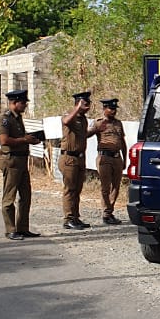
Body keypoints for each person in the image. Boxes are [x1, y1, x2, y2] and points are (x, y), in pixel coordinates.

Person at [0, 89, 42, 240]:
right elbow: (4, 140)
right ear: (14, 102)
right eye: (23, 103)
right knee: (9, 197)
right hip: (11, 161)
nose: (25, 105)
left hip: (22, 160)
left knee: (25, 196)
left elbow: (20, 138)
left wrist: (30, 139)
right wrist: (24, 140)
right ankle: (10, 229)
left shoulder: (18, 118)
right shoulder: (4, 119)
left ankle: (22, 228)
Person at [59, 90, 91, 230]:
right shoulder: (69, 116)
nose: (88, 107)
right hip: (69, 158)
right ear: (78, 104)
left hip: (79, 158)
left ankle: (75, 217)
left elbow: (83, 135)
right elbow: (66, 121)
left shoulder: (83, 120)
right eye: (85, 104)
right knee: (70, 190)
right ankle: (68, 219)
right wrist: (77, 108)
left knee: (77, 190)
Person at [91, 98, 127, 225]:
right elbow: (87, 134)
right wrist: (96, 129)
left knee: (116, 187)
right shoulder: (98, 122)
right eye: (111, 109)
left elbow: (122, 142)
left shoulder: (118, 123)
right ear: (104, 109)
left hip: (117, 158)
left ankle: (109, 211)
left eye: (115, 109)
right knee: (105, 187)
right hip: (104, 158)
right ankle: (106, 214)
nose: (113, 111)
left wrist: (125, 159)